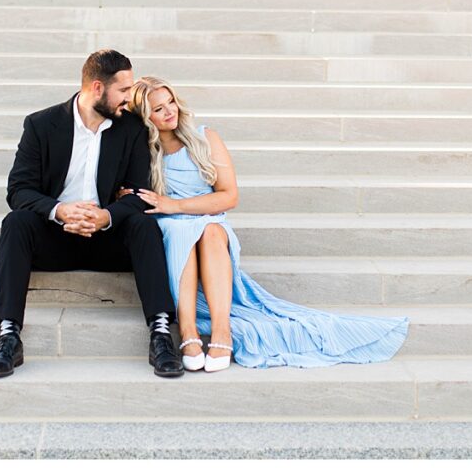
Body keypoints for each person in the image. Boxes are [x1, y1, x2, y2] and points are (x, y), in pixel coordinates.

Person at [123, 76, 410, 371]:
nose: (170, 111)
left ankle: (222, 331)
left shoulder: (205, 137)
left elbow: (229, 196)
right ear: (145, 117)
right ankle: (189, 333)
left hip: (208, 218)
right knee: (180, 231)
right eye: (158, 109)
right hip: (172, 226)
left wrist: (178, 205)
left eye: (171, 101)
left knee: (210, 230)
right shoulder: (143, 151)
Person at [0, 51, 184, 378]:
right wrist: (60, 211)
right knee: (16, 223)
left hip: (108, 238)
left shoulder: (131, 128)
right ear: (96, 88)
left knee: (143, 224)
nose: (129, 98)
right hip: (56, 237)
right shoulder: (41, 125)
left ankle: (161, 333)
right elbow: (19, 190)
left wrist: (106, 216)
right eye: (123, 90)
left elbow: (139, 191)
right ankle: (8, 337)